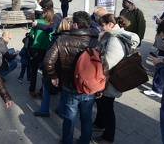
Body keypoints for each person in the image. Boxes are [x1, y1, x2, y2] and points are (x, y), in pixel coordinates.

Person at [43, 11, 108, 144]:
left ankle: (67, 141)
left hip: (70, 87)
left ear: (76, 25)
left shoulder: (62, 41)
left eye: (73, 22)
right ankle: (84, 141)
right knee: (86, 118)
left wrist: (53, 76)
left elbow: (47, 61)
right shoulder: (96, 43)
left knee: (69, 117)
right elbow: (104, 68)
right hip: (89, 88)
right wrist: (101, 87)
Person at [91, 14, 140, 144]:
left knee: (107, 108)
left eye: (102, 25)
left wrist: (96, 73)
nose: (100, 28)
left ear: (110, 25)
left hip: (109, 80)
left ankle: (108, 137)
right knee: (101, 103)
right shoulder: (111, 35)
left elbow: (109, 62)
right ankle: (99, 123)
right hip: (106, 78)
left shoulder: (114, 39)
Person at [34, 17, 72, 118]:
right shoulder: (75, 38)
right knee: (64, 93)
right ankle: (61, 111)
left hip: (55, 69)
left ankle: (44, 110)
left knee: (46, 89)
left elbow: (49, 56)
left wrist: (44, 67)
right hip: (67, 71)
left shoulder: (57, 39)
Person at [28, 8, 55, 98]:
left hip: (35, 48)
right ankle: (42, 90)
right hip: (46, 50)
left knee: (34, 70)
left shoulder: (37, 21)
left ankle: (32, 89)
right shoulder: (52, 25)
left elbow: (31, 34)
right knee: (45, 72)